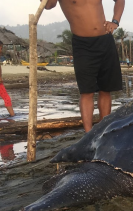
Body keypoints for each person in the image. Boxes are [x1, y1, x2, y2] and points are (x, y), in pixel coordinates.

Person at [44, 0, 125, 132]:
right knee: (87, 91)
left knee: (105, 89)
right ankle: (88, 134)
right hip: (82, 45)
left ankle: (103, 130)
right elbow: (48, 5)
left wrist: (115, 21)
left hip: (105, 40)